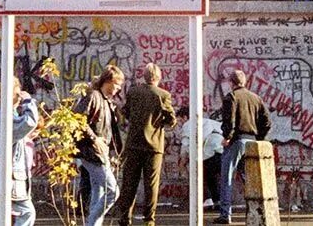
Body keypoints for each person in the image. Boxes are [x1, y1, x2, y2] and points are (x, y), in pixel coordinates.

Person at [114, 63, 176, 226]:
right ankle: (149, 219)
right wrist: (161, 122)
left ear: (144, 76)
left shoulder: (133, 91)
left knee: (129, 181)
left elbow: (125, 112)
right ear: (158, 77)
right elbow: (171, 119)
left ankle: (125, 216)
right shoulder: (163, 95)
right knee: (151, 184)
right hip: (154, 146)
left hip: (134, 143)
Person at [0, 81, 39, 226]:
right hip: (2, 176)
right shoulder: (2, 116)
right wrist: (28, 102)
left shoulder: (6, 113)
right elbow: (28, 123)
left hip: (9, 177)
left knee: (25, 212)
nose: (20, 96)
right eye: (17, 93)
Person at [217, 69, 271, 225]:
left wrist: (227, 137)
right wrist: (259, 138)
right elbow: (267, 122)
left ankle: (225, 214)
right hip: (252, 142)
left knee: (227, 177)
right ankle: (256, 211)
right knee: (250, 179)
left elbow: (230, 121)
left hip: (236, 140)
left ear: (231, 82)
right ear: (244, 82)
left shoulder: (231, 97)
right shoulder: (256, 98)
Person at [75, 65, 125, 226]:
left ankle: (93, 224)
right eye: (117, 85)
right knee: (112, 191)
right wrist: (94, 138)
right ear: (109, 81)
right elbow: (77, 118)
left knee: (99, 191)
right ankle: (91, 224)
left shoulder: (105, 100)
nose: (118, 89)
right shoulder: (94, 96)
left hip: (99, 153)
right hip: (91, 153)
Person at [176, 107, 225, 211]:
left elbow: (185, 145)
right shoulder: (208, 121)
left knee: (200, 177)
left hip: (207, 153)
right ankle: (218, 201)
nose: (180, 123)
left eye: (180, 120)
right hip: (221, 151)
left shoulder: (187, 125)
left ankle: (207, 200)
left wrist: (183, 161)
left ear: (185, 117)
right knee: (212, 177)